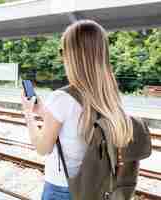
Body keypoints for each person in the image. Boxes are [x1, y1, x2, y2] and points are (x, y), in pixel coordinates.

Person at [21, 20, 133, 200]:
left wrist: (28, 114)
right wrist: (44, 112)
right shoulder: (110, 97)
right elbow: (77, 123)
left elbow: (43, 147)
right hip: (97, 188)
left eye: (62, 51)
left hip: (63, 190)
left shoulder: (61, 98)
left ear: (72, 56)